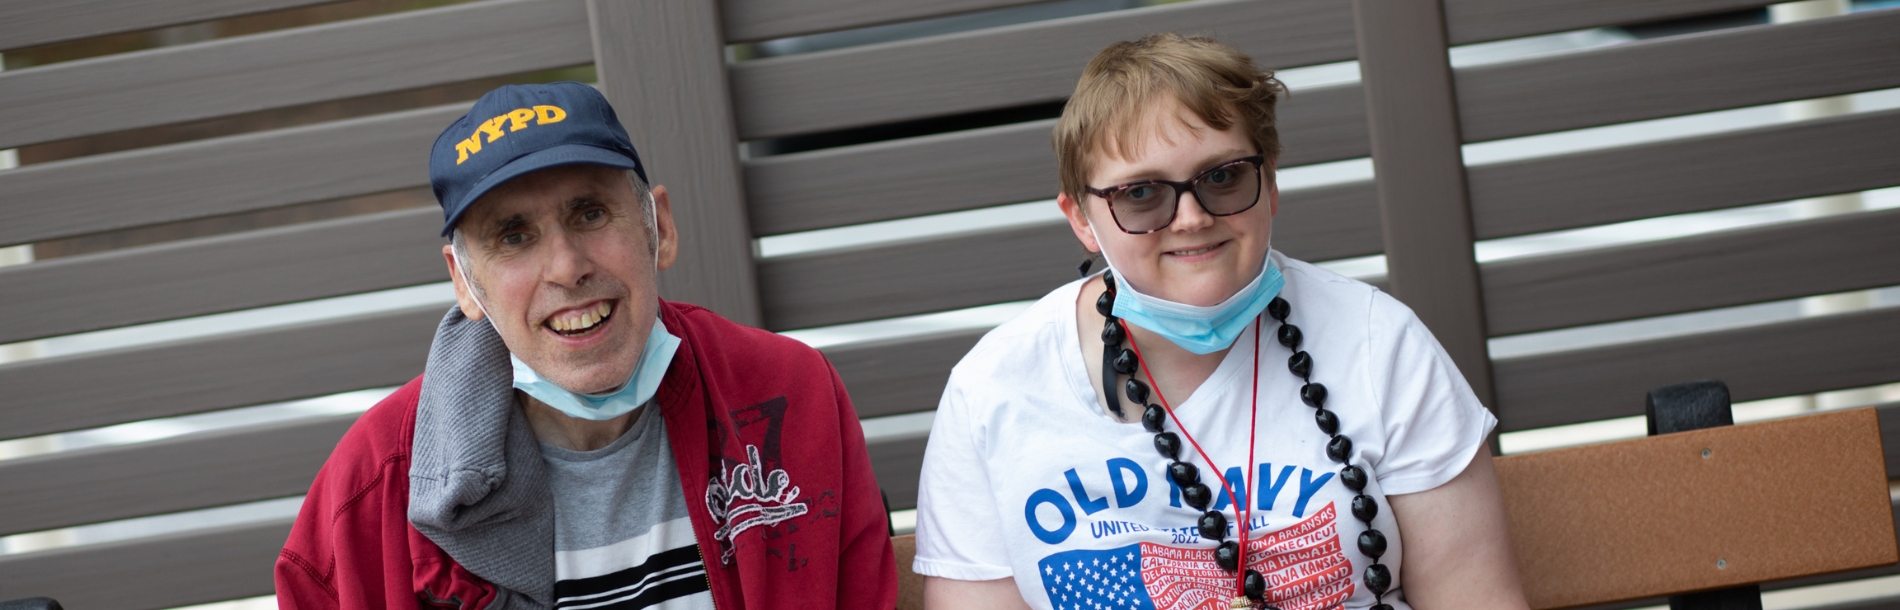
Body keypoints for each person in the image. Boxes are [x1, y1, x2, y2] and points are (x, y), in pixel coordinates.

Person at [911, 34, 1528, 610]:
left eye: (1224, 177)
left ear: (1272, 183)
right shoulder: (991, 391)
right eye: (1141, 194)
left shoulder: (1378, 343)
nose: (1191, 218)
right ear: (1081, 220)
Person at [275, 82, 896, 610]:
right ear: (465, 283)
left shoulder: (790, 393)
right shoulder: (372, 488)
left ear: (661, 229)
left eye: (591, 214)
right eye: (514, 236)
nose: (567, 267)